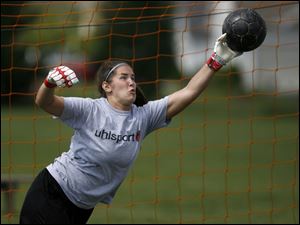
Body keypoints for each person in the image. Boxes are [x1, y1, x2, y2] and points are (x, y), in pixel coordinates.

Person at [19, 33, 241, 224]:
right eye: (123, 77)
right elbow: (45, 102)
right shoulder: (90, 109)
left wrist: (216, 60)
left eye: (133, 78)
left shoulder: (143, 117)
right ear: (107, 86)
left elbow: (188, 92)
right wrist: (49, 83)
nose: (131, 82)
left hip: (81, 208)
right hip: (52, 193)